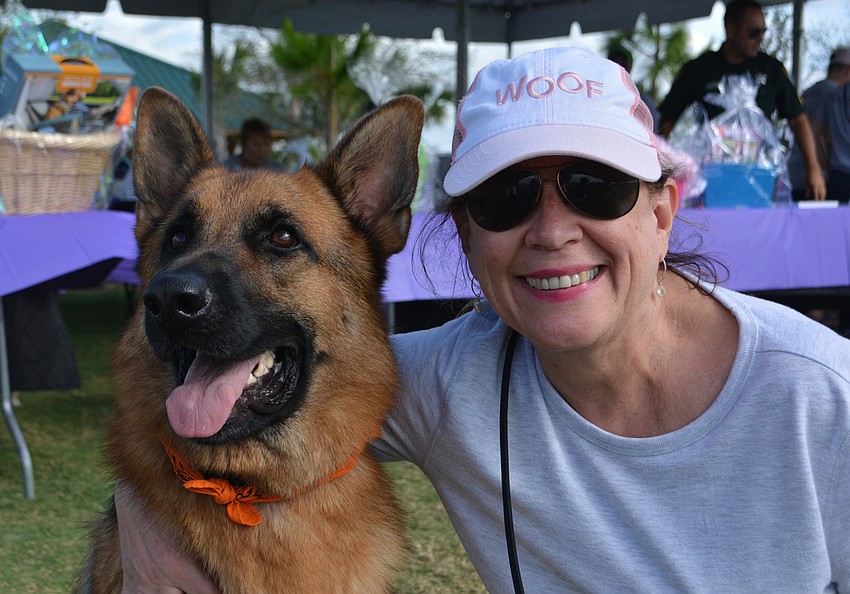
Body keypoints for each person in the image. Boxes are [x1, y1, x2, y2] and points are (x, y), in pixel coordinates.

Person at [114, 46, 850, 592]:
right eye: (507, 198)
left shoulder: (821, 393)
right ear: (467, 236)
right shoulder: (438, 383)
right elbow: (191, 418)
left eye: (596, 187)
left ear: (663, 210)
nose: (553, 229)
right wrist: (139, 521)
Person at [657, 0, 826, 200]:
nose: (760, 39)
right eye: (754, 33)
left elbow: (799, 119)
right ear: (731, 30)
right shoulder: (698, 69)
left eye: (764, 32)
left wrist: (813, 169)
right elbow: (667, 119)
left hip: (761, 174)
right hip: (712, 177)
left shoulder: (771, 70)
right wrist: (662, 168)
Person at [788, 47, 850, 200]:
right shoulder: (832, 93)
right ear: (848, 71)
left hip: (798, 173)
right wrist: (822, 166)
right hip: (816, 178)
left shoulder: (809, 91)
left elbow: (809, 131)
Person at [607, 44, 660, 131]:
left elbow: (652, 133)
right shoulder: (596, 91)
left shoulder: (642, 100)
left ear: (630, 66)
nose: (619, 64)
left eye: (623, 63)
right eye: (614, 61)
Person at [814, 80, 850, 202]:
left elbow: (813, 131)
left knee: (837, 220)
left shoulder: (834, 95)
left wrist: (824, 163)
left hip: (838, 176)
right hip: (838, 175)